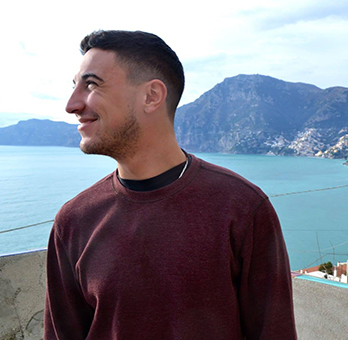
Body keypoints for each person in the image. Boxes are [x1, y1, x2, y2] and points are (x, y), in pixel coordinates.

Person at [44, 30, 297, 340]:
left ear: (151, 96)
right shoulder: (73, 221)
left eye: (92, 84)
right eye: (75, 87)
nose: (72, 105)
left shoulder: (242, 209)